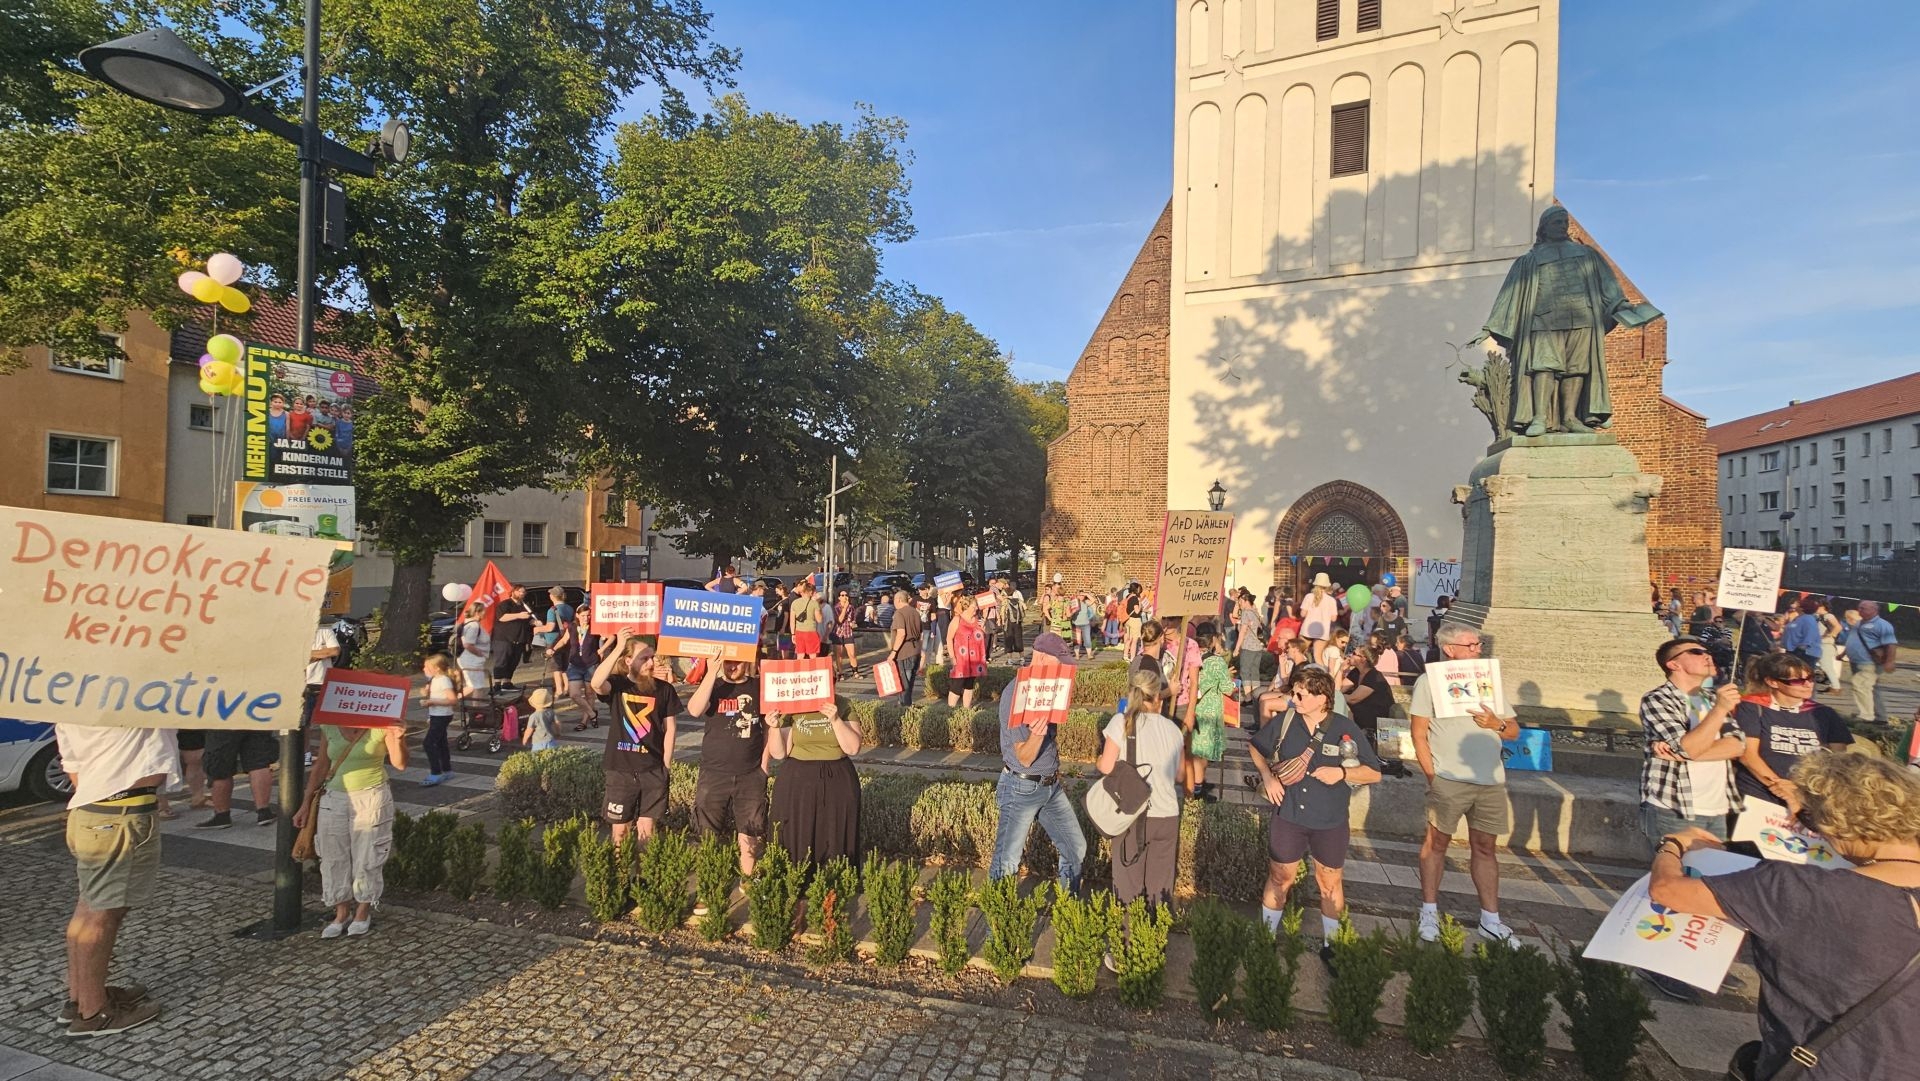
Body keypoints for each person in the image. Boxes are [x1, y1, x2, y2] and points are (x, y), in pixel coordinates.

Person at [1649, 753, 1920, 1081]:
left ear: (1835, 823)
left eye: (1810, 819)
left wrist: (1673, 845)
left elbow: (1667, 890)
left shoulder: (1803, 889)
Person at [1249, 667, 1384, 967]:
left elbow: (1374, 773)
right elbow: (1256, 747)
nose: (1293, 697)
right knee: (1279, 877)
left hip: (1330, 820)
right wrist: (1267, 778)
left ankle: (1332, 946)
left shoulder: (1345, 729)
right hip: (1289, 814)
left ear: (1322, 698)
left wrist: (1343, 772)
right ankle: (1266, 936)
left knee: (1330, 882)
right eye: (1293, 691)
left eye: (1300, 694)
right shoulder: (1286, 721)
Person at [1634, 636, 1745, 1001]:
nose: (1707, 657)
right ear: (1674, 664)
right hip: (1673, 806)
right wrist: (1712, 720)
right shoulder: (1658, 699)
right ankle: (1659, 962)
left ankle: (1702, 959)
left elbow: (1737, 745)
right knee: (1671, 888)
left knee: (1712, 887)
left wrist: (1692, 749)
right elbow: (1684, 746)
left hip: (1716, 806)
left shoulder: (1714, 698)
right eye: (1697, 653)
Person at [53, 724, 173, 1036]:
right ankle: (94, 1013)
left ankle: (81, 997)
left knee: (89, 908)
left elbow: (73, 767)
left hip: (91, 809)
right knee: (103, 914)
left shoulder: (73, 703)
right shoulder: (130, 695)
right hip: (120, 814)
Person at [1409, 622, 1521, 944]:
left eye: (1478, 644)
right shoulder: (1428, 682)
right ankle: (1428, 909)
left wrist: (1496, 723)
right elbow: (1419, 733)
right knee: (1437, 844)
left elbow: (1513, 730)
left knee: (1485, 848)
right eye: (1471, 645)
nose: (1478, 649)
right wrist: (1432, 775)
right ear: (1449, 649)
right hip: (1449, 778)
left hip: (1490, 778)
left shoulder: (1490, 682)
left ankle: (1490, 918)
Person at [989, 632, 1088, 893]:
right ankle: (996, 930)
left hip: (1049, 786)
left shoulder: (1047, 690)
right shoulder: (1015, 694)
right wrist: (1038, 733)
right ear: (1042, 657)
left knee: (1075, 847)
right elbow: (1024, 756)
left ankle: (1070, 911)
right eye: (1060, 662)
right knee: (1006, 862)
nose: (1063, 671)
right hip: (1021, 787)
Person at [297, 718, 407, 938]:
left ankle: (362, 911)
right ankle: (341, 912)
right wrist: (306, 803)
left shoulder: (381, 724)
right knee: (332, 856)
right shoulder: (330, 725)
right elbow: (321, 766)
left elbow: (400, 763)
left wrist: (399, 737)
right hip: (334, 798)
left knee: (367, 854)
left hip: (371, 795)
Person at [1098, 667, 1185, 916]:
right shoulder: (1173, 730)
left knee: (1128, 887)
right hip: (1167, 816)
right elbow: (1180, 775)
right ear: (1158, 696)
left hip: (1133, 816)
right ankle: (1154, 945)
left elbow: (1106, 767)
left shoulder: (1122, 723)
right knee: (1160, 888)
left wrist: (1097, 761)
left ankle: (1126, 949)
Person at [686, 658, 771, 902]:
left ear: (747, 661)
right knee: (708, 831)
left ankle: (748, 877)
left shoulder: (759, 686)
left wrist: (764, 766)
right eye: (727, 663)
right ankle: (709, 885)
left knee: (751, 829)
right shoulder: (714, 685)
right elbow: (694, 709)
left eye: (736, 663)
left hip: (750, 773)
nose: (731, 667)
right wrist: (711, 672)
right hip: (713, 774)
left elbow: (768, 727)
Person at [590, 630, 682, 851]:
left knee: (646, 832)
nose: (650, 663)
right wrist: (618, 647)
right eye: (644, 658)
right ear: (628, 660)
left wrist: (666, 767)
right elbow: (595, 683)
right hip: (620, 770)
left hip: (652, 770)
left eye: (652, 657)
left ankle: (643, 879)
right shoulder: (618, 685)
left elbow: (670, 730)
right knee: (620, 831)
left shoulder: (665, 690)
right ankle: (621, 878)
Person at [1733, 652, 1854, 817]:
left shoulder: (1824, 713)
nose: (1808, 685)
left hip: (1809, 795)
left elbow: (1838, 759)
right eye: (1798, 681)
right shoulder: (1752, 707)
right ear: (1772, 682)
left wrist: (1802, 791)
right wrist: (1782, 788)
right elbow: (1748, 756)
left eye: (1811, 678)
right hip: (1761, 793)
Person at [767, 698, 862, 867]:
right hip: (798, 777)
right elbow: (780, 753)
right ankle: (796, 879)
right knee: (797, 831)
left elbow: (853, 748)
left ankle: (834, 879)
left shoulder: (843, 704)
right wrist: (774, 728)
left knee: (834, 831)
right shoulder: (792, 704)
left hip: (837, 776)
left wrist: (835, 720)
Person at [196, 724, 276, 829]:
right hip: (256, 715)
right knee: (259, 763)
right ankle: (264, 811)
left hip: (225, 718)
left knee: (219, 763)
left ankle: (222, 815)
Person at [1186, 624, 1231, 802]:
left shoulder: (1189, 655)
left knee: (1194, 750)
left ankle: (1195, 786)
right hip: (1209, 711)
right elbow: (1227, 688)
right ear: (1213, 639)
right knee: (1202, 754)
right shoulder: (1216, 661)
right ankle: (1197, 790)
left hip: (1191, 708)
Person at [1843, 600, 1898, 724]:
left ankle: (1866, 716)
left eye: (1864, 608)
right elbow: (1854, 639)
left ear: (1874, 610)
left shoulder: (1883, 625)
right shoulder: (1859, 623)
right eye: (1859, 608)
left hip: (1869, 663)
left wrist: (1890, 661)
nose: (1860, 611)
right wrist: (1843, 653)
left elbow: (1891, 644)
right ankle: (1879, 717)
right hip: (1856, 661)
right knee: (1871, 688)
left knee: (1860, 685)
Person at [1341, 646, 1394, 750]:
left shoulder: (1374, 677)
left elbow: (1353, 699)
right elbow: (1339, 689)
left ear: (1363, 658)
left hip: (1374, 721)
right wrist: (1340, 671)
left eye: (1354, 653)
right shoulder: (1356, 672)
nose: (1350, 655)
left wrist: (1337, 696)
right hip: (1360, 717)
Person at [419, 654, 460, 786]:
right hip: (437, 715)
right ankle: (447, 769)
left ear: (436, 668)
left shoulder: (443, 680)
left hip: (442, 715)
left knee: (429, 743)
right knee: (441, 742)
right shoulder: (434, 680)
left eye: (427, 667)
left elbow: (452, 699)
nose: (423, 669)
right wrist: (426, 693)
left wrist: (432, 701)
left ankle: (436, 772)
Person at [488, 585, 535, 690]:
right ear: (513, 592)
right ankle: (497, 684)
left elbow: (528, 620)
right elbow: (502, 617)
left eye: (523, 592)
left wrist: (535, 622)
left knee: (514, 661)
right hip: (504, 638)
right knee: (502, 661)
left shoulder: (525, 606)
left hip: (519, 638)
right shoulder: (505, 604)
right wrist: (518, 615)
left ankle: (507, 682)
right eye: (519, 591)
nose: (522, 594)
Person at [947, 593, 989, 708]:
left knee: (969, 684)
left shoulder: (977, 620)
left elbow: (983, 637)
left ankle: (966, 709)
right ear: (967, 606)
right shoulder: (957, 619)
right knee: (957, 684)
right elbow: (949, 638)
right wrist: (952, 657)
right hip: (961, 658)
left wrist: (984, 628)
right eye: (974, 606)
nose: (976, 608)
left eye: (976, 606)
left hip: (975, 659)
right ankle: (950, 710)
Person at [534, 586, 576, 700]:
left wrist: (537, 629)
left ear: (552, 596)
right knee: (565, 666)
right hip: (566, 639)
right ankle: (568, 688)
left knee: (556, 667)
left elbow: (550, 627)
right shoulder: (570, 608)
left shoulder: (552, 610)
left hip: (553, 641)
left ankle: (559, 690)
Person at [1779, 596, 1827, 690]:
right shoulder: (1798, 618)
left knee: (1805, 675)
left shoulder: (1808, 619)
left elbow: (1810, 635)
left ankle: (1807, 694)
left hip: (1804, 652)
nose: (1795, 605)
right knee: (1794, 674)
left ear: (1802, 608)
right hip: (1792, 650)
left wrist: (1801, 648)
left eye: (1797, 604)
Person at [884, 589, 923, 704]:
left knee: (903, 684)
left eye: (894, 600)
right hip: (915, 650)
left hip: (904, 652)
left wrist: (893, 652)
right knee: (909, 683)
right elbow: (920, 633)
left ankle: (904, 710)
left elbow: (901, 634)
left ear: (899, 600)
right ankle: (906, 706)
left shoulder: (899, 613)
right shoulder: (915, 612)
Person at [567, 606, 602, 730]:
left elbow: (611, 636)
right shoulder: (572, 627)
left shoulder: (594, 627)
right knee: (574, 694)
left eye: (588, 615)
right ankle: (593, 714)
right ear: (577, 615)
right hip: (575, 664)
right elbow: (564, 640)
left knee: (589, 693)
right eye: (583, 616)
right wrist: (552, 649)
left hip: (590, 663)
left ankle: (584, 721)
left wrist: (601, 649)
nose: (586, 618)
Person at [455, 600, 491, 698]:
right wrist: (479, 653)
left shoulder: (467, 624)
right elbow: (467, 644)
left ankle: (451, 700)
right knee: (476, 687)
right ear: (477, 612)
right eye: (483, 611)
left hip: (470, 659)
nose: (485, 613)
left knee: (474, 686)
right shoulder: (474, 626)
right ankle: (476, 709)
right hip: (472, 659)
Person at [1234, 591, 1265, 696]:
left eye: (1240, 602)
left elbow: (1242, 632)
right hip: (1258, 647)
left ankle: (1248, 696)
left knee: (1245, 671)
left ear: (1245, 601)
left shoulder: (1246, 613)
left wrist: (1236, 648)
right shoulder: (1255, 612)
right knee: (1255, 671)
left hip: (1248, 646)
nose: (1240, 605)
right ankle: (1256, 695)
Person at [1299, 573, 1339, 646]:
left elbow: (1302, 614)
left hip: (1307, 630)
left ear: (1315, 584)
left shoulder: (1308, 596)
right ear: (1327, 586)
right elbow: (1333, 619)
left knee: (1302, 653)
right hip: (1323, 632)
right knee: (1318, 656)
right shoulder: (1331, 600)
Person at [1813, 601, 1844, 694]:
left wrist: (1831, 635)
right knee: (1824, 665)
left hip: (1826, 645)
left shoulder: (1828, 616)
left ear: (1823, 607)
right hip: (1821, 644)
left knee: (1826, 666)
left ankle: (1836, 687)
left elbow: (1838, 627)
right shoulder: (1817, 617)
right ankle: (1833, 685)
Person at [789, 578, 823, 661]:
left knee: (800, 655)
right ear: (811, 592)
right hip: (811, 631)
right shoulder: (814, 603)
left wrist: (793, 634)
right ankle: (812, 672)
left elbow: (792, 621)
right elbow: (819, 620)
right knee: (813, 655)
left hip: (799, 632)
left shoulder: (795, 603)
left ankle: (798, 673)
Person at [831, 589, 860, 679]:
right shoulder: (836, 608)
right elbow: (839, 620)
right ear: (839, 597)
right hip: (838, 633)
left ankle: (855, 671)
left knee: (852, 653)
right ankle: (840, 672)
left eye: (846, 595)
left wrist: (853, 623)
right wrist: (844, 608)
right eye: (842, 595)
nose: (845, 597)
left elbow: (853, 618)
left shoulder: (851, 607)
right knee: (839, 654)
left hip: (848, 632)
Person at [522, 687, 561, 752]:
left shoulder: (534, 716)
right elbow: (557, 724)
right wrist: (558, 732)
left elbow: (529, 729)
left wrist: (525, 739)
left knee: (538, 759)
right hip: (551, 740)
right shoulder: (551, 712)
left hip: (538, 742)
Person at [1122, 583, 1145, 661]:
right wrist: (1140, 604)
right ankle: (1132, 658)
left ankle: (1125, 656)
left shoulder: (1128, 596)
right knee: (1135, 640)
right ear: (1136, 589)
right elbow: (1137, 611)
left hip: (1128, 619)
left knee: (1128, 639)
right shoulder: (1135, 598)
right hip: (1135, 620)